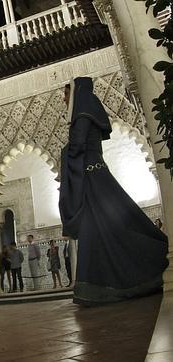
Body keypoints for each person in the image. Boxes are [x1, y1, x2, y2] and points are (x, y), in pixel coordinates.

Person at [59, 77, 169, 305]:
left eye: (67, 94)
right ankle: (108, 285)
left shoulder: (81, 116)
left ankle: (105, 286)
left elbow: (77, 147)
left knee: (106, 231)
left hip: (91, 180)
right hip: (98, 176)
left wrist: (65, 155)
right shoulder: (87, 112)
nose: (64, 99)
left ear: (76, 95)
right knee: (111, 230)